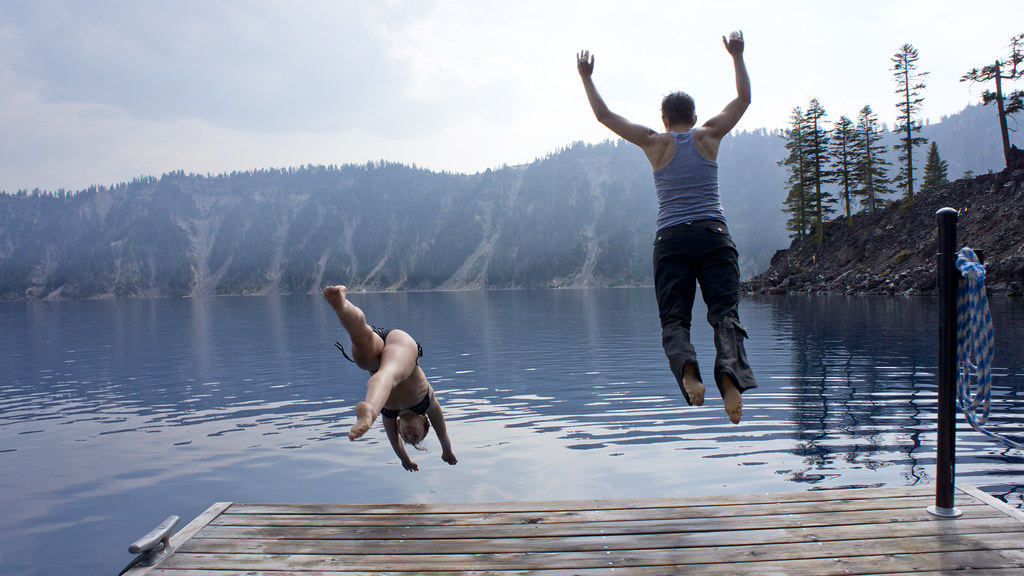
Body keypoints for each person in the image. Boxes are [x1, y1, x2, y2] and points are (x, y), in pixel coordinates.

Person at [576, 31, 756, 424]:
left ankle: (687, 367)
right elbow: (743, 100)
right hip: (713, 234)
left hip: (672, 239)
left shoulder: (653, 143)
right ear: (693, 118)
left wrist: (587, 77)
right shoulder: (708, 135)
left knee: (674, 318)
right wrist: (737, 56)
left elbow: (605, 117)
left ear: (664, 119)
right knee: (725, 312)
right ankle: (729, 376)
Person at [323, 285, 457, 471]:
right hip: (401, 345)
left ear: (399, 427)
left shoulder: (390, 416)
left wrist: (404, 460)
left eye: (406, 437)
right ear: (425, 422)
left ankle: (341, 305)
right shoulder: (428, 405)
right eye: (416, 436)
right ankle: (370, 410)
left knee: (360, 341)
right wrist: (446, 451)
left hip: (377, 364)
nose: (409, 436)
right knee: (389, 374)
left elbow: (394, 443)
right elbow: (442, 434)